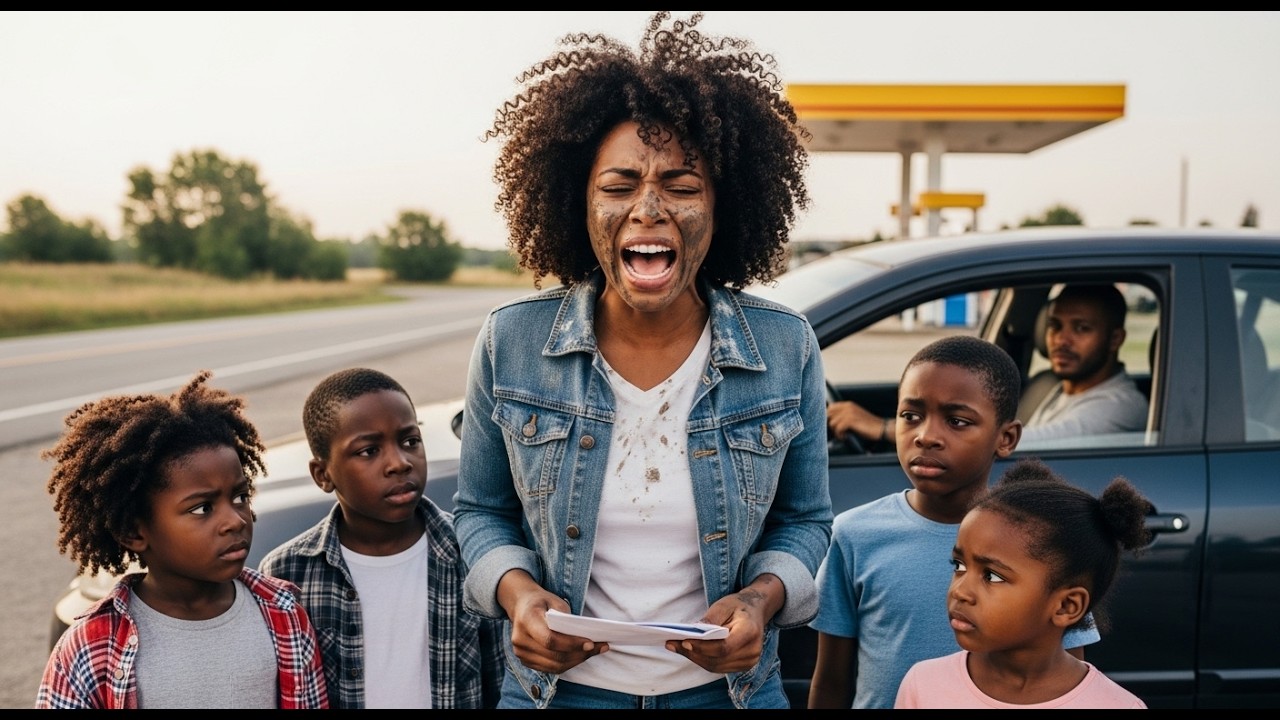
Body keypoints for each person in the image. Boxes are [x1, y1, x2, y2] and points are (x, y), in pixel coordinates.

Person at [452, 11, 833, 710]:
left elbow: (806, 520)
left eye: (682, 186)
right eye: (619, 185)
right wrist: (518, 595)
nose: (649, 207)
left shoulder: (785, 347)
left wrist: (761, 599)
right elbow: (480, 510)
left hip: (728, 693)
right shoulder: (511, 344)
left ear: (723, 207)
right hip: (557, 693)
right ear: (579, 202)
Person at [807, 335, 1100, 709]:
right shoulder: (853, 535)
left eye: (957, 421)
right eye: (910, 416)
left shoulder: (1044, 541)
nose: (926, 436)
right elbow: (831, 681)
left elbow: (1071, 682)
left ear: (1006, 437)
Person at [36, 370, 328, 709]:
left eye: (239, 497)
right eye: (203, 508)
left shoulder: (284, 614)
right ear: (134, 532)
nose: (234, 520)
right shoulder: (89, 647)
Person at [257, 367, 503, 709]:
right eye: (369, 451)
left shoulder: (472, 553)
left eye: (410, 441)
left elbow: (502, 684)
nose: (399, 463)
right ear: (322, 475)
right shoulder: (289, 572)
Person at [894, 456, 1151, 708]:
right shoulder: (924, 685)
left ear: (1066, 606)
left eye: (992, 576)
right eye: (959, 566)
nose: (960, 591)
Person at [826, 283, 1148, 448]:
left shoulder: (1120, 407)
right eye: (1055, 325)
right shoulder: (1051, 384)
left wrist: (886, 428)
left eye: (1081, 329)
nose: (1061, 339)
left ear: (1116, 338)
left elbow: (1025, 443)